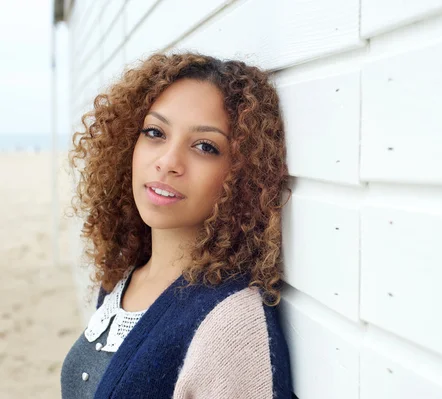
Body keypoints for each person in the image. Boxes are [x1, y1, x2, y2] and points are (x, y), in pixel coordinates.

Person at [60, 52, 293, 398]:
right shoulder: (122, 278)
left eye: (205, 146)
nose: (168, 162)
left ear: (241, 174)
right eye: (155, 132)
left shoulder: (230, 323)